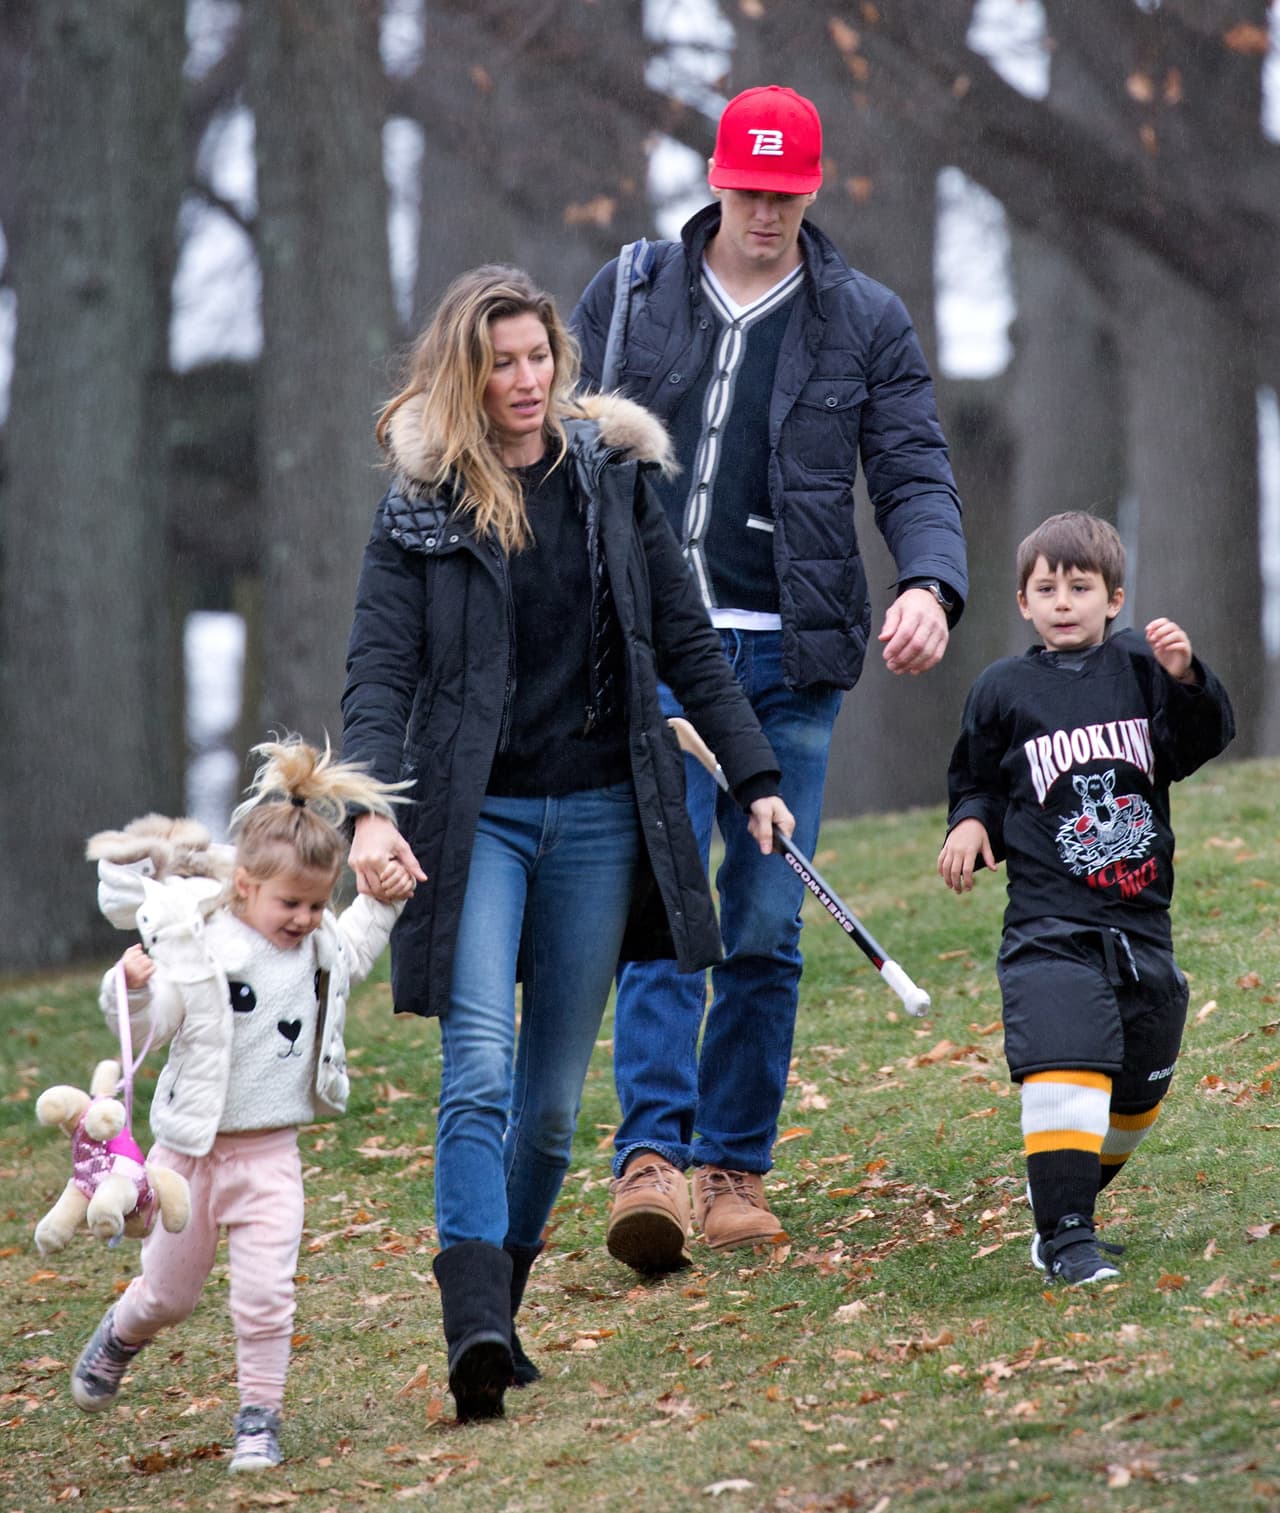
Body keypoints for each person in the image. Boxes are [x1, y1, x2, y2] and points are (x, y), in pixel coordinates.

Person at [340, 264, 795, 1422]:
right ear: (466, 373)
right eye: (500, 362)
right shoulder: (421, 508)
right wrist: (370, 810)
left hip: (600, 814)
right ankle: (472, 1325)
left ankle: (501, 1303)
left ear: (560, 362)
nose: (525, 379)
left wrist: (752, 775)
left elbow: (686, 639)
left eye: (538, 356)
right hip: (476, 817)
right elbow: (379, 672)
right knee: (479, 1071)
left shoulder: (609, 480)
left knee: (549, 1109)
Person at [570, 84, 968, 1270]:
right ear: (713, 179)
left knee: (760, 914)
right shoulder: (631, 290)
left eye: (784, 193)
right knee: (659, 902)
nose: (762, 212)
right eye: (745, 190)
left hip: (788, 661)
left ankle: (732, 1164)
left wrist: (927, 586)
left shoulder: (862, 319)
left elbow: (911, 468)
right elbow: (560, 447)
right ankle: (648, 1161)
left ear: (812, 188)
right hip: (648, 657)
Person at [70, 738, 412, 1471]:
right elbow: (152, 1022)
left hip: (270, 1156)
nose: (305, 917)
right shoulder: (199, 947)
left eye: (318, 903)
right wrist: (129, 986)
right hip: (187, 1158)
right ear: (245, 885)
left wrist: (377, 903)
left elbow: (350, 952)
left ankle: (259, 1416)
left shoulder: (316, 942)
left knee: (266, 1294)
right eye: (291, 902)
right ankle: (122, 1333)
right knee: (169, 1295)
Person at [939, 513, 1234, 1284]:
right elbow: (976, 778)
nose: (1064, 601)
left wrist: (1186, 676)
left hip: (1140, 921)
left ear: (1114, 599)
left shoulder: (1138, 665)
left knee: (1136, 1093)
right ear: (1023, 601)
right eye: (1047, 588)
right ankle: (1066, 1234)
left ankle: (1065, 1196)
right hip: (1048, 923)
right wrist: (972, 823)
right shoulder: (1002, 688)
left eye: (1081, 587)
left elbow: (1198, 741)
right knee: (1066, 1060)